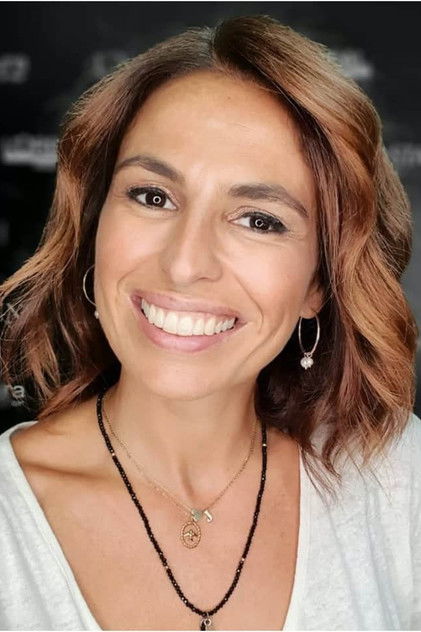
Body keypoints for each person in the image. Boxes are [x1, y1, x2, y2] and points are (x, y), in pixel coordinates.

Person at [0, 14, 419, 632]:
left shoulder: (395, 481)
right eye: (153, 196)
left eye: (258, 220)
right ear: (94, 228)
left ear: (319, 284)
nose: (184, 263)